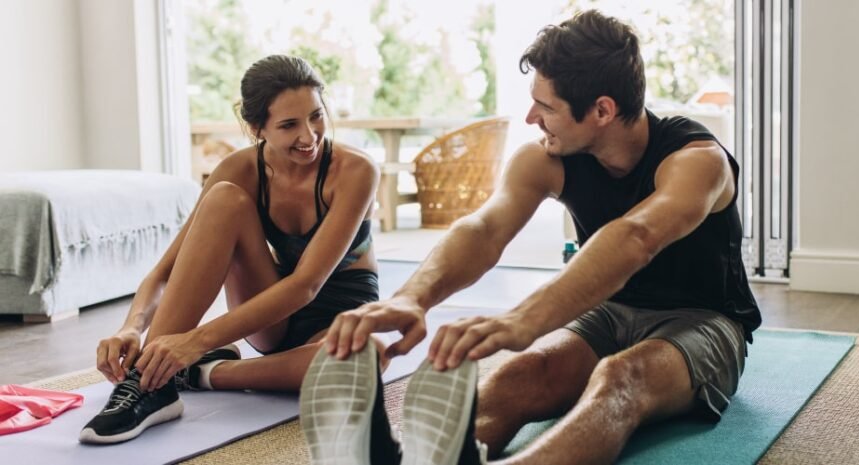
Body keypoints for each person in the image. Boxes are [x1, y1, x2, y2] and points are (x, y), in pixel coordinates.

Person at [304, 9, 762, 465]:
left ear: (602, 110)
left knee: (620, 379)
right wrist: (412, 298)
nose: (530, 117)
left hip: (703, 320)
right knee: (521, 374)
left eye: (546, 107)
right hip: (609, 312)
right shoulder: (545, 159)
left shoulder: (697, 161)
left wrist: (522, 320)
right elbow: (484, 230)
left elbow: (635, 237)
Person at [79, 54, 387, 445]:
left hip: (339, 317)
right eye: (289, 125)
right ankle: (148, 384)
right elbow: (166, 270)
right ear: (257, 127)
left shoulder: (356, 170)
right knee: (224, 198)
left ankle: (198, 373)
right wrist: (132, 327)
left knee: (367, 357)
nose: (309, 136)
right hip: (271, 314)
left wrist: (195, 345)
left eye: (316, 116)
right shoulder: (240, 169)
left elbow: (306, 285)